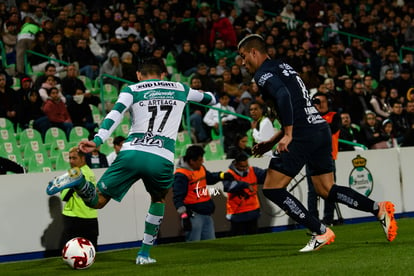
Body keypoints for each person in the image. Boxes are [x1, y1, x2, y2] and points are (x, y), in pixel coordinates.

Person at [46, 58, 217, 265]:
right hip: (161, 156)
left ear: (138, 75)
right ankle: (144, 254)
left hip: (131, 152)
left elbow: (115, 113)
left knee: (97, 201)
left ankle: (81, 183)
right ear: (163, 74)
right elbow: (210, 99)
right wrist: (210, 95)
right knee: (158, 200)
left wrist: (97, 140)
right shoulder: (180, 87)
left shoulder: (132, 88)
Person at [237, 34, 397, 252]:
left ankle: (320, 230)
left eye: (243, 56)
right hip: (319, 129)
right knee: (325, 188)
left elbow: (284, 96)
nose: (242, 63)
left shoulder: (263, 75)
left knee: (272, 188)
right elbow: (296, 104)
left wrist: (289, 134)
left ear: (254, 52)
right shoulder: (284, 66)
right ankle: (378, 209)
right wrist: (272, 140)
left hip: (302, 133)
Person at [173, 145, 233, 242]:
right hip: (193, 216)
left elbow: (209, 178)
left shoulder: (200, 168)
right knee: (195, 244)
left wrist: (222, 175)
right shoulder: (181, 175)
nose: (202, 162)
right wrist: (184, 217)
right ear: (192, 161)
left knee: (211, 243)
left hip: (206, 213)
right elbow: (177, 197)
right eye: (200, 160)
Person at [306, 92, 341, 226]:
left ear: (328, 102)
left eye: (323, 102)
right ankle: (313, 220)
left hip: (328, 157)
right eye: (317, 102)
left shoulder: (334, 116)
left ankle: (328, 219)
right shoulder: (309, 117)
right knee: (312, 191)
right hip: (311, 156)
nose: (320, 105)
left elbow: (331, 129)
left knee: (329, 190)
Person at [60, 147, 99, 250]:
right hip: (91, 216)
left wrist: (61, 186)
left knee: (71, 251)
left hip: (75, 218)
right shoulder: (89, 172)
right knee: (91, 251)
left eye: (74, 158)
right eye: (70, 158)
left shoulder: (76, 173)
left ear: (83, 159)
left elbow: (64, 196)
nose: (71, 161)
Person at [222, 153, 266, 236]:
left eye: (246, 166)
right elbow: (228, 187)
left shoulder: (254, 171)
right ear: (235, 164)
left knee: (254, 237)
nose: (245, 169)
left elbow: (266, 176)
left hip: (253, 211)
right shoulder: (229, 174)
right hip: (237, 213)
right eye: (242, 167)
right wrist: (245, 185)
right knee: (237, 237)